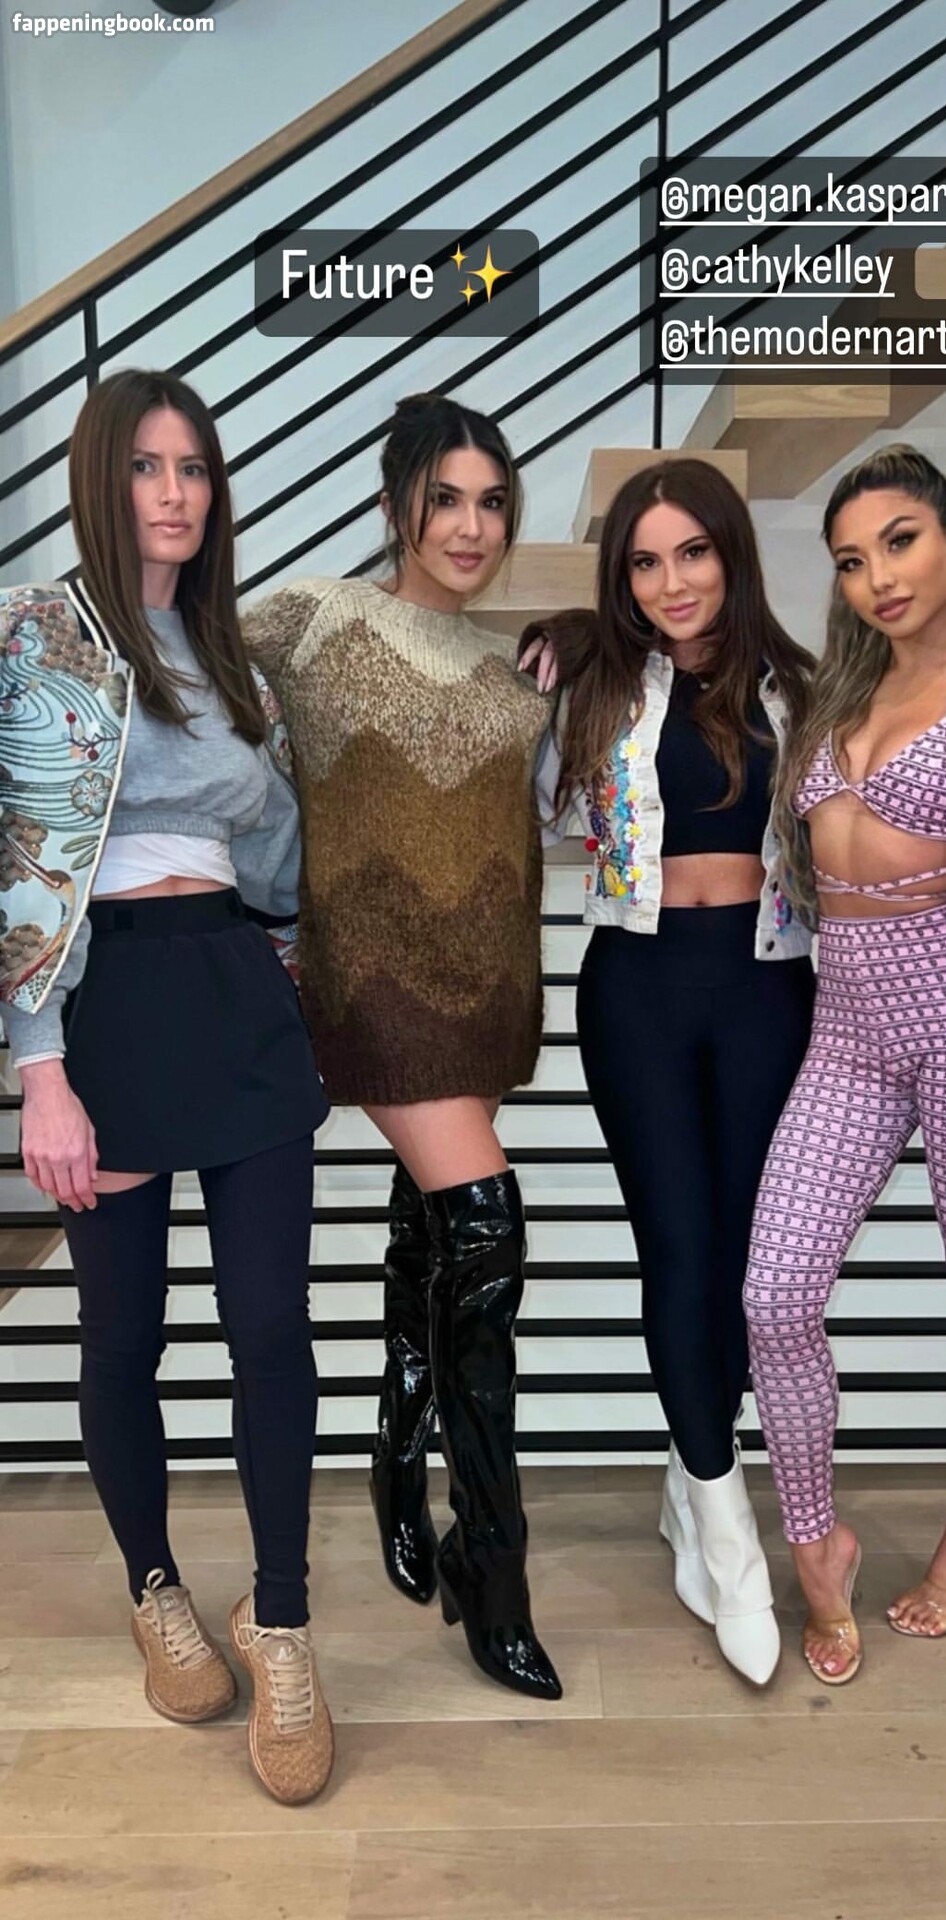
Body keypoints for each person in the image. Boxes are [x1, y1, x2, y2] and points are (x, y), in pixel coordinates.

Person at [0, 369, 334, 1803]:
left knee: (271, 1326)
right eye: (147, 465)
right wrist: (41, 1070)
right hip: (110, 1006)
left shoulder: (235, 658)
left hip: (236, 992)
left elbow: (275, 854)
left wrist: (300, 958)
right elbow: (23, 859)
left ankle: (286, 1621)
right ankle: (153, 1586)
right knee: (122, 1335)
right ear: (101, 478)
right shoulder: (39, 636)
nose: (177, 492)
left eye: (194, 467)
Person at [242, 394, 562, 1701]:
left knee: (436, 1234)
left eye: (492, 502)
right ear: (394, 506)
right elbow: (172, 676)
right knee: (486, 1231)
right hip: (369, 987)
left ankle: (397, 1452)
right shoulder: (308, 619)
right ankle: (495, 1565)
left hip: (489, 989)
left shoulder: (518, 673)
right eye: (445, 500)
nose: (471, 526)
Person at [743, 443, 946, 1684]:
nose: (878, 576)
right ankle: (816, 1541)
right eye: (850, 559)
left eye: (899, 541)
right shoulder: (839, 685)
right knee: (774, 1295)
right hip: (848, 1026)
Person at [530, 457, 817, 1686]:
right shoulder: (597, 681)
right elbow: (533, 810)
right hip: (637, 992)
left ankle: (687, 1471)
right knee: (680, 1253)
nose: (671, 582)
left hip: (768, 991)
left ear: (731, 552)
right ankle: (727, 1533)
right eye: (644, 562)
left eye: (691, 552)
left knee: (752, 1274)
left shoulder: (801, 686)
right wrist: (560, 648)